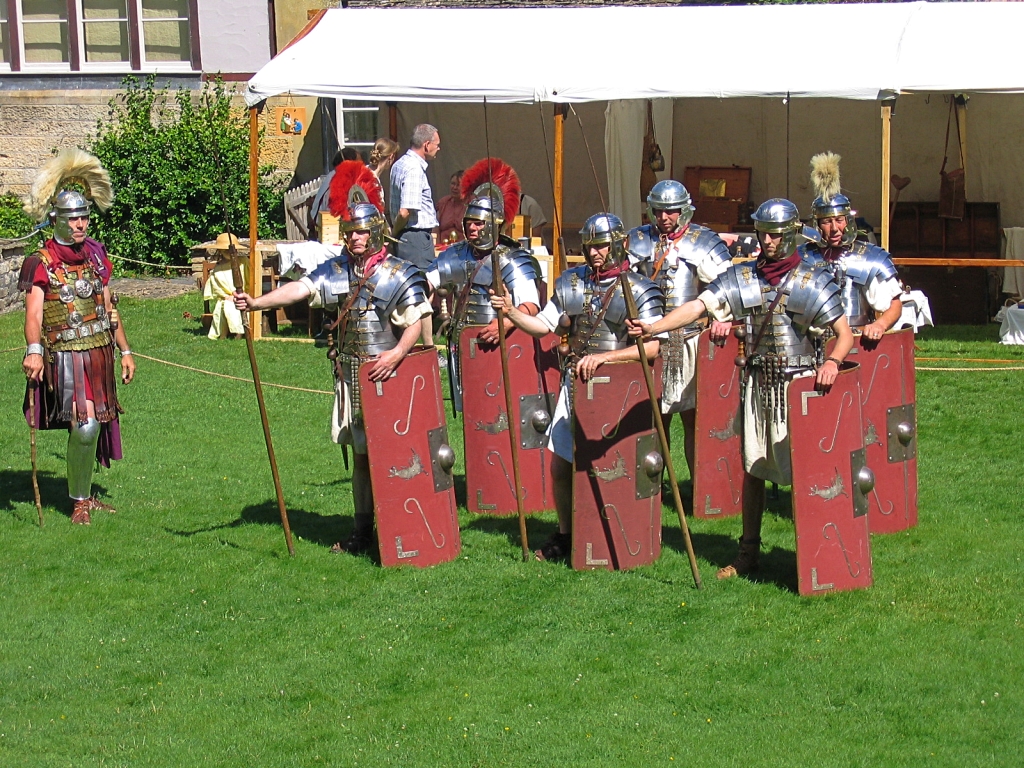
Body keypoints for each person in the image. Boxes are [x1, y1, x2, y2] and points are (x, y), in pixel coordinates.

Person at [628, 199, 853, 580]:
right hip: (757, 384)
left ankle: (815, 550)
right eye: (762, 233)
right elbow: (699, 306)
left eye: (774, 234)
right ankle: (748, 550)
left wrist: (831, 362)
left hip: (798, 386)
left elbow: (843, 335)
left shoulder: (812, 278)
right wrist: (654, 328)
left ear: (791, 235)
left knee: (805, 472)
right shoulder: (743, 277)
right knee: (752, 468)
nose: (766, 241)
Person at [234, 199, 432, 555]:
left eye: (360, 231)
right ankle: (362, 530)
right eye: (349, 232)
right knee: (359, 455)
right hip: (351, 374)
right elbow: (302, 288)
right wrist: (258, 303)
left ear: (375, 231)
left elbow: (415, 320)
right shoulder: (337, 269)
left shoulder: (397, 272)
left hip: (389, 375)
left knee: (394, 454)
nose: (354, 238)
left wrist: (397, 354)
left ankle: (401, 528)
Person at [491, 213, 663, 561]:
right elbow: (542, 326)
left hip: (618, 389)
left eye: (601, 245)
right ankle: (565, 536)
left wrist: (606, 360)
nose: (594, 252)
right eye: (589, 245)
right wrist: (510, 312)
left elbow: (654, 344)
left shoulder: (639, 288)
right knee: (560, 465)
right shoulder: (572, 282)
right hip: (576, 385)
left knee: (613, 466)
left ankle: (619, 533)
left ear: (616, 245)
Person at [19, 149, 135, 525]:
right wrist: (34, 351)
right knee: (84, 425)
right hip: (64, 355)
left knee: (94, 423)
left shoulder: (95, 257)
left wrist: (126, 350)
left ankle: (84, 494)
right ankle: (80, 501)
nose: (81, 224)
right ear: (57, 219)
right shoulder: (41, 261)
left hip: (99, 351)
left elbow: (107, 307)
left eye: (85, 216)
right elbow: (34, 313)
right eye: (74, 218)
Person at [625, 179, 732, 478]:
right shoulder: (637, 239)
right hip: (647, 340)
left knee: (691, 417)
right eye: (659, 211)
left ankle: (696, 489)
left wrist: (722, 319)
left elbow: (727, 287)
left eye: (670, 211)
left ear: (684, 211)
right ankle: (653, 486)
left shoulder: (705, 241)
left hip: (690, 340)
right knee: (652, 417)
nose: (664, 218)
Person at [800, 152, 903, 338]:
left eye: (839, 220)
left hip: (857, 339)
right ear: (816, 224)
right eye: (826, 222)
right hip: (810, 342)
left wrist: (880, 324)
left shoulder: (869, 257)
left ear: (848, 221)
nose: (834, 228)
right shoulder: (801, 258)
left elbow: (894, 304)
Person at [390, 123, 440, 349]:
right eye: (437, 145)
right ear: (426, 144)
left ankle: (413, 345)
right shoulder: (412, 168)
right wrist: (395, 231)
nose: (439, 149)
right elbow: (405, 210)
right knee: (420, 294)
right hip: (414, 237)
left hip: (411, 237)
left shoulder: (400, 163)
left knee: (415, 292)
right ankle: (427, 348)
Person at [202, 233, 248, 340]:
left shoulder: (243, 262)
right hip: (226, 297)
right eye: (225, 250)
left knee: (234, 306)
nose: (229, 253)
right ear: (221, 251)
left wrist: (240, 293)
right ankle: (223, 334)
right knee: (224, 306)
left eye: (231, 250)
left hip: (242, 295)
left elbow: (249, 279)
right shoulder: (218, 268)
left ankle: (239, 333)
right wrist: (225, 296)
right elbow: (216, 286)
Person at [435, 170, 467, 245]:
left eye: (458, 185)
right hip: (443, 249)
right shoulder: (443, 203)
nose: (455, 187)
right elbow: (435, 228)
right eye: (453, 184)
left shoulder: (472, 204)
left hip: (464, 250)